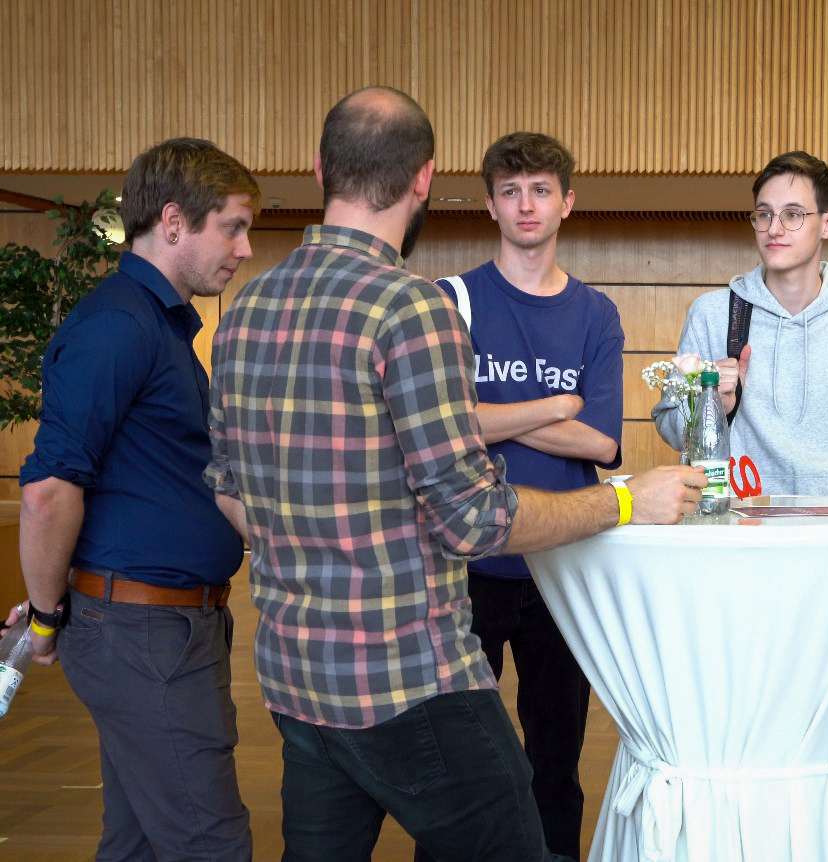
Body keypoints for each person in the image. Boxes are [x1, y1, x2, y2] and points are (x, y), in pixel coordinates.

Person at [206, 86, 703, 862]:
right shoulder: (412, 308)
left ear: (318, 170)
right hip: (410, 679)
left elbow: (232, 493)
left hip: (297, 681)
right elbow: (474, 519)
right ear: (425, 180)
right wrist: (624, 501)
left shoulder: (246, 309)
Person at [11, 138, 258, 861]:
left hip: (169, 627)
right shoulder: (119, 326)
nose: (243, 248)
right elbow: (50, 492)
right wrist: (48, 616)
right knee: (211, 844)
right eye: (233, 227)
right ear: (174, 220)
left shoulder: (160, 326)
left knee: (140, 843)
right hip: (143, 633)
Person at [419, 131, 619, 862]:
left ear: (567, 202)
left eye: (541, 189)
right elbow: (437, 427)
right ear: (490, 205)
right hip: (462, 564)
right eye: (511, 191)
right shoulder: (452, 302)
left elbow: (601, 443)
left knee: (555, 764)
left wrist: (491, 419)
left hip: (563, 569)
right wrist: (550, 407)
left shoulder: (595, 313)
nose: (526, 204)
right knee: (453, 763)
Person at [651, 150, 828, 497]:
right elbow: (670, 427)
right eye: (764, 214)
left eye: (793, 214)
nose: (774, 229)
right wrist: (711, 404)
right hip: (734, 535)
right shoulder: (713, 315)